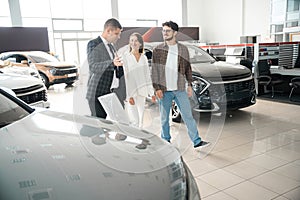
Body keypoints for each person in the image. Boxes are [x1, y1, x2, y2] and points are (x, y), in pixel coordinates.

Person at [151, 21, 210, 149]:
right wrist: (157, 88)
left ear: (175, 33)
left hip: (180, 89)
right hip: (164, 89)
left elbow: (188, 68)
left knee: (188, 116)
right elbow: (154, 70)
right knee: (164, 119)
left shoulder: (183, 49)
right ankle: (166, 141)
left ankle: (196, 141)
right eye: (163, 31)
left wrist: (189, 84)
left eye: (167, 31)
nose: (164, 33)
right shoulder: (158, 49)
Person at [86, 18, 125, 118]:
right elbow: (93, 66)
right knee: (97, 124)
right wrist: (112, 63)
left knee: (104, 122)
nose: (119, 37)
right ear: (108, 31)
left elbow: (113, 68)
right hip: (96, 92)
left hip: (108, 92)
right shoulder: (93, 44)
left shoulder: (111, 47)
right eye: (117, 34)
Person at [122, 32, 155, 128]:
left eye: (136, 40)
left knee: (141, 119)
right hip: (131, 92)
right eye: (131, 40)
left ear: (140, 43)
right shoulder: (126, 57)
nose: (133, 42)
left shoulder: (144, 58)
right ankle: (134, 140)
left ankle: (140, 140)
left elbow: (147, 76)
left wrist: (151, 93)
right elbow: (125, 77)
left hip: (142, 91)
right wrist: (129, 96)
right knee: (134, 120)